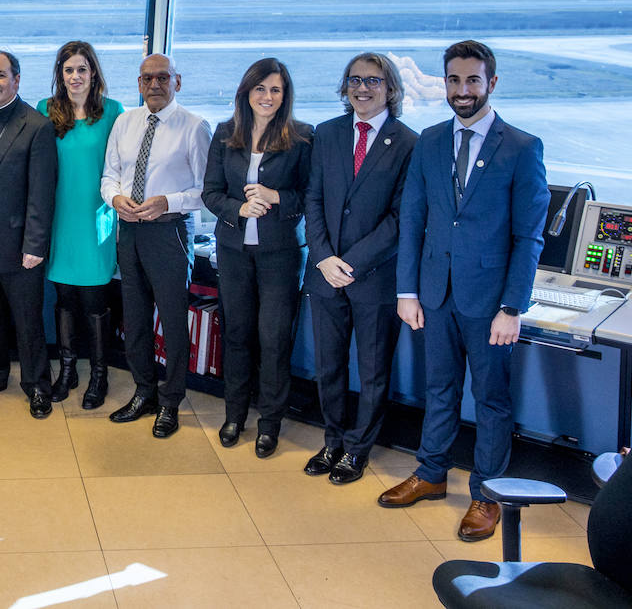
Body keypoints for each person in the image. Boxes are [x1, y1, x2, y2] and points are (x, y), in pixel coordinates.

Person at [378, 40, 549, 543]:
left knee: (491, 399)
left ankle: (488, 493)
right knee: (439, 390)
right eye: (454, 80)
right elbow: (413, 220)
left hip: (490, 301)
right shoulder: (429, 142)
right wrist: (406, 290)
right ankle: (431, 474)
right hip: (435, 293)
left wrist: (512, 306)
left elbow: (528, 236)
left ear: (491, 84)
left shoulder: (521, 147)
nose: (462, 90)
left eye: (473, 81)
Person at [303, 52, 417, 484]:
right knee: (328, 366)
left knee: (372, 372)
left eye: (373, 81)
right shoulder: (327, 134)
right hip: (324, 272)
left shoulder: (408, 142)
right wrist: (323, 257)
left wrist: (349, 262)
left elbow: (401, 217)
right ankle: (332, 442)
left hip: (374, 278)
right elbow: (313, 199)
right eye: (355, 80)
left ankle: (357, 450)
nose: (363, 88)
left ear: (390, 88)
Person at [203, 58, 313, 458]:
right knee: (236, 335)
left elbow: (309, 195)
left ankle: (269, 424)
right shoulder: (225, 133)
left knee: (273, 340)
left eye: (275, 90)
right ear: (246, 92)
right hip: (233, 253)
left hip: (280, 256)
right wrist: (238, 209)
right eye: (260, 89)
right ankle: (234, 415)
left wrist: (276, 197)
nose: (267, 97)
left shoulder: (302, 136)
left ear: (285, 96)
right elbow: (210, 192)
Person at [102, 53, 211, 436]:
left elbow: (206, 191)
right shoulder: (124, 122)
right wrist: (115, 200)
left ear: (177, 82)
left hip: (169, 232)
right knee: (134, 319)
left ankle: (170, 401)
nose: (154, 85)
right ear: (138, 83)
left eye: (162, 78)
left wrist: (168, 202)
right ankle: (143, 392)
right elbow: (110, 175)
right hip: (129, 230)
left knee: (173, 321)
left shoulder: (194, 127)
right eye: (147, 78)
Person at [0, 50, 58, 419]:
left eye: (0, 76)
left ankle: (37, 385)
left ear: (16, 80)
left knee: (27, 319)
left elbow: (42, 192)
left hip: (21, 246)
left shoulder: (36, 125)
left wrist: (35, 245)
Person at [38, 40, 124, 409]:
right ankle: (68, 370)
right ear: (61, 74)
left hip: (96, 220)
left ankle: (99, 375)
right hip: (58, 219)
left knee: (95, 300)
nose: (75, 76)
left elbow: (123, 165)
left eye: (82, 69)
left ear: (94, 74)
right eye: (68, 69)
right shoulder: (46, 110)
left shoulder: (114, 111)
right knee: (64, 299)